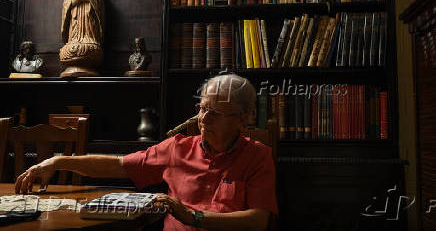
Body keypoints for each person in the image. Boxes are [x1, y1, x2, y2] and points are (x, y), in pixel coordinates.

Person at [14, 74, 278, 230]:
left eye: (215, 113)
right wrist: (57, 161)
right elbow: (117, 166)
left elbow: (257, 221)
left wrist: (191, 216)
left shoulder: (258, 156)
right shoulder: (177, 148)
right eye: (202, 108)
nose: (203, 119)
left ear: (244, 118)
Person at [59, 0, 104, 76]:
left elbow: (99, 8)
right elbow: (65, 11)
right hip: (75, 28)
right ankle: (74, 45)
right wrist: (73, 2)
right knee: (68, 50)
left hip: (89, 29)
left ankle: (88, 46)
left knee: (92, 49)